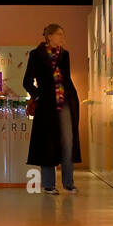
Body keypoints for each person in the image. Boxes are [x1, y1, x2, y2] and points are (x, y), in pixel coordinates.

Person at [23, 23, 81, 195]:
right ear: (49, 36)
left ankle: (68, 183)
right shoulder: (36, 55)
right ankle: (49, 184)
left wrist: (73, 100)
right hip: (47, 105)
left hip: (65, 103)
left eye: (63, 34)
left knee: (68, 141)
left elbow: (67, 79)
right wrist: (38, 95)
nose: (62, 37)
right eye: (59, 34)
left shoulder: (65, 55)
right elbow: (27, 81)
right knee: (47, 143)